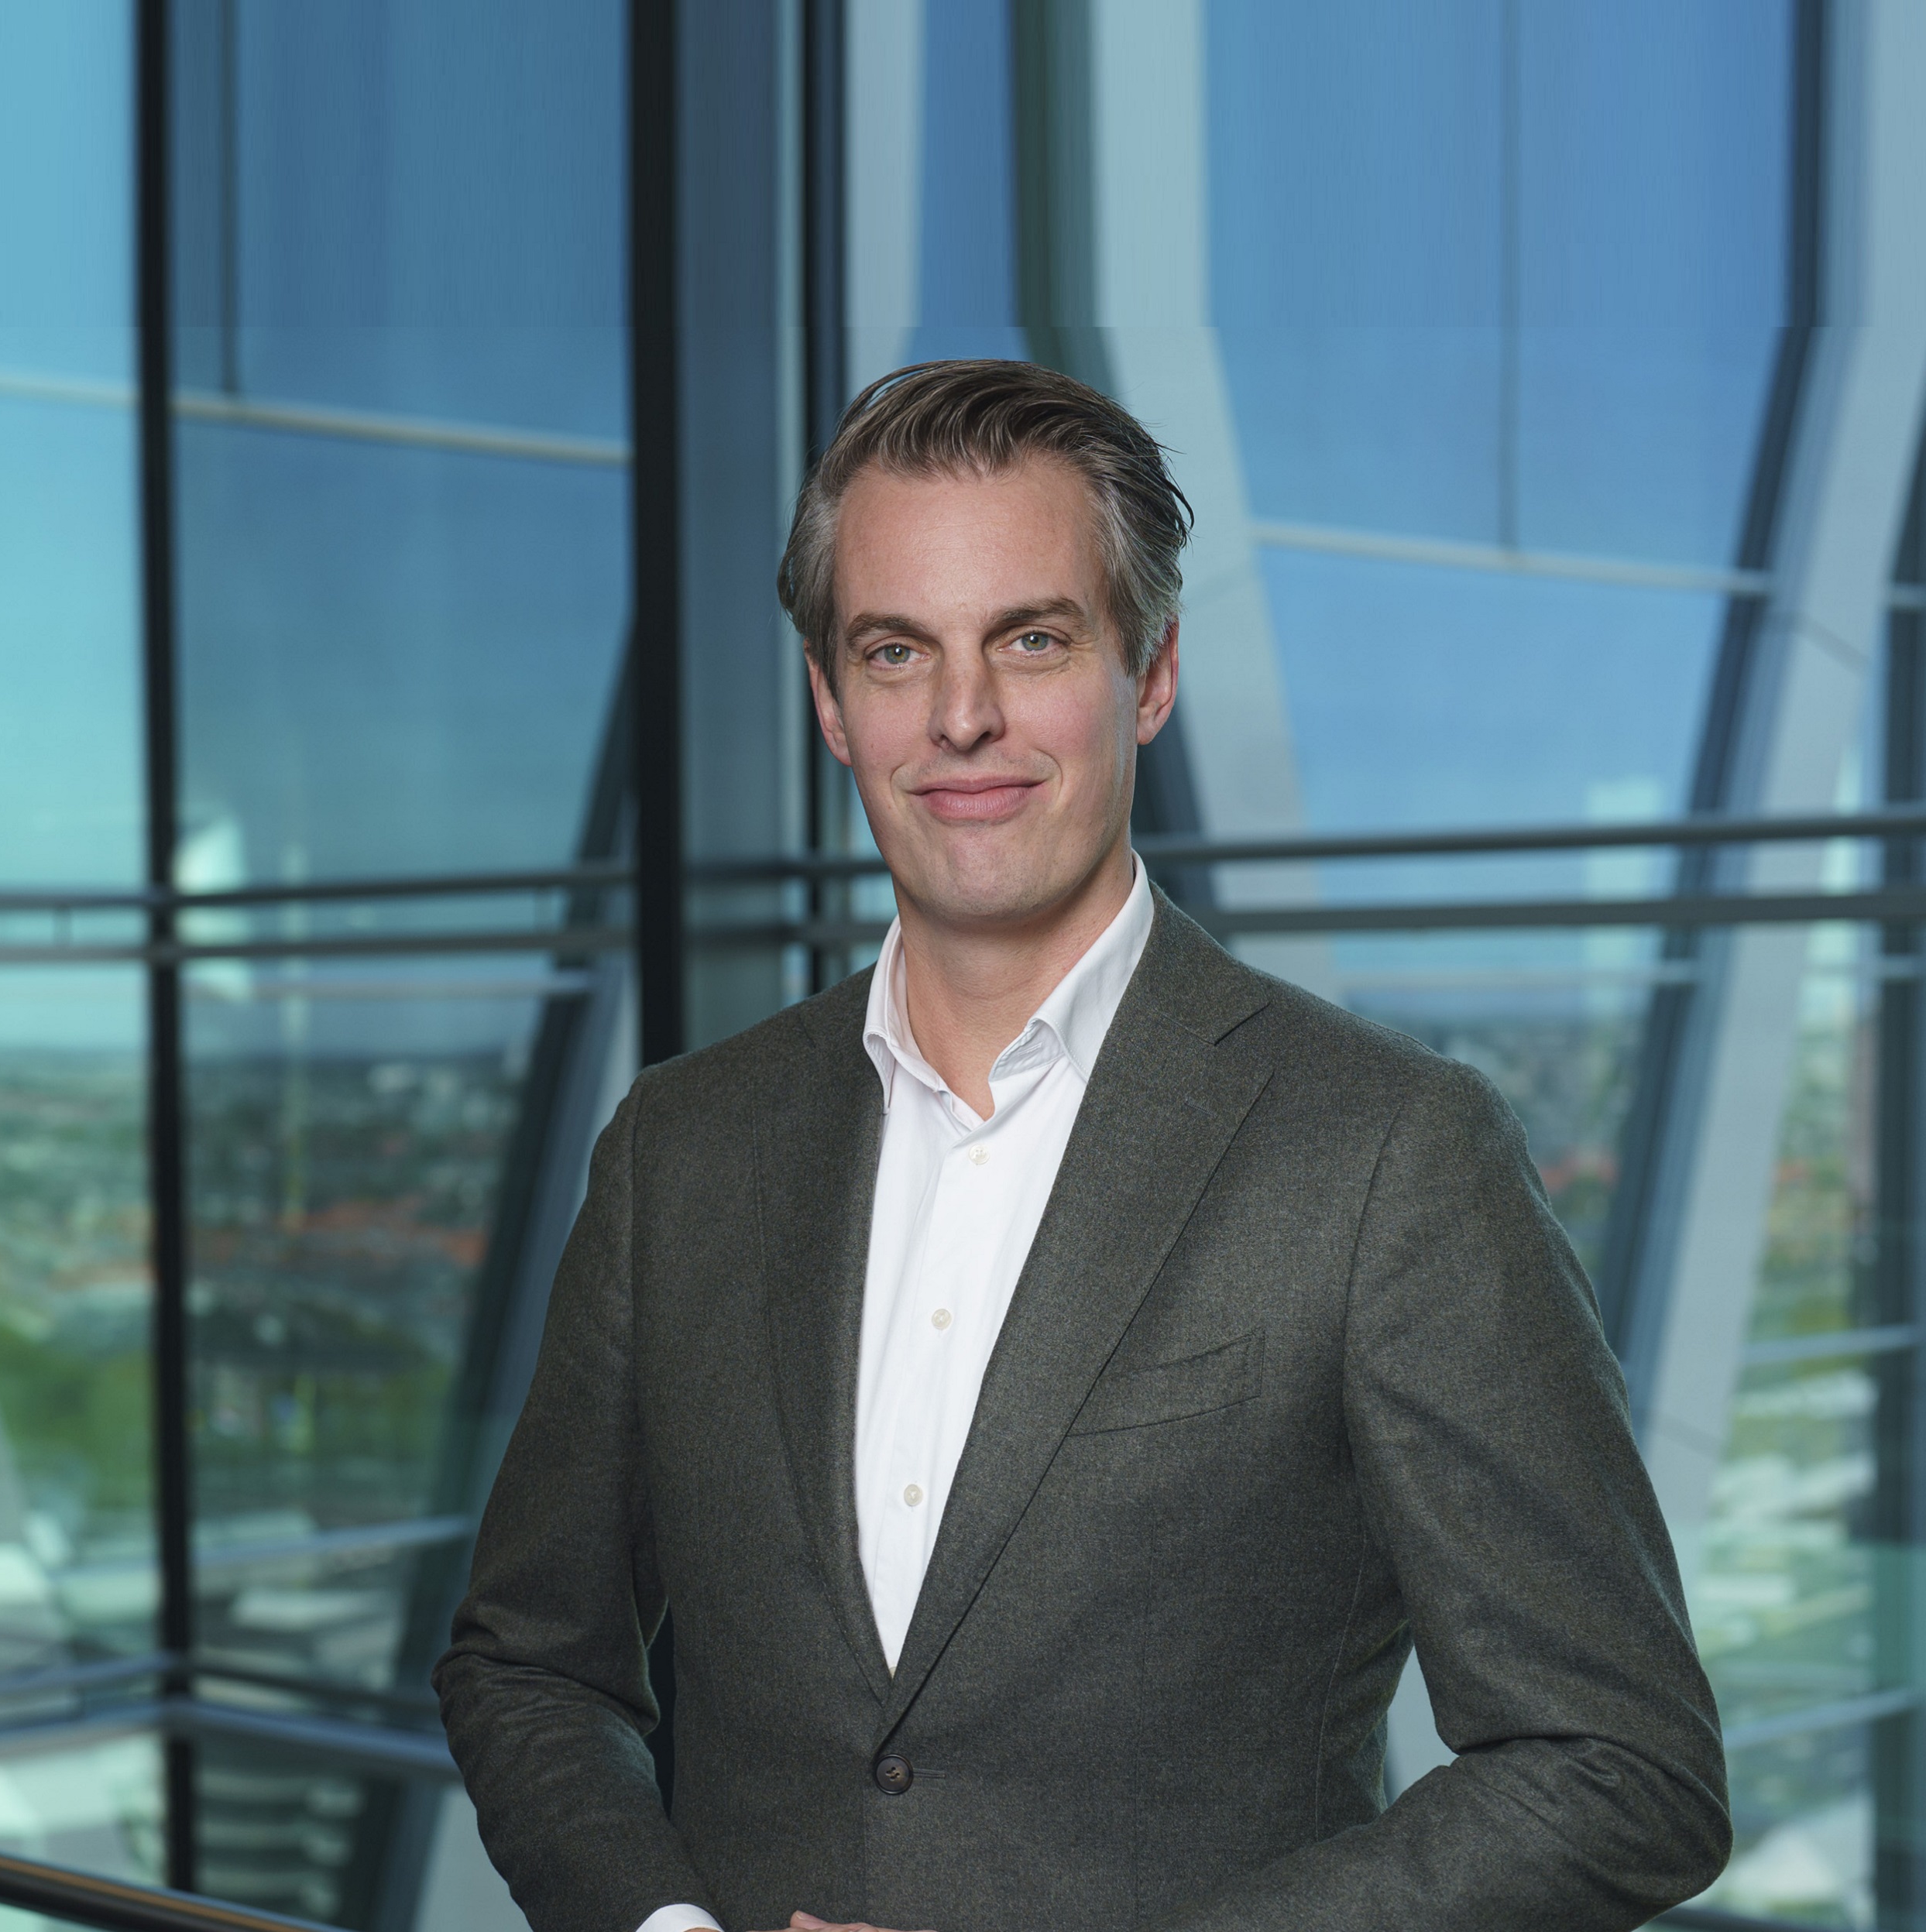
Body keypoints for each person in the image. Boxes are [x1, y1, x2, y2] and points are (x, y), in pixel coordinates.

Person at [433, 359, 1729, 1932]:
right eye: (896, 650)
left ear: (1151, 671)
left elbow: (1620, 1762)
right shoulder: (681, 1150)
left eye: (1032, 639)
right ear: (833, 702)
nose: (961, 716)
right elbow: (528, 1662)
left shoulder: (1389, 1152)